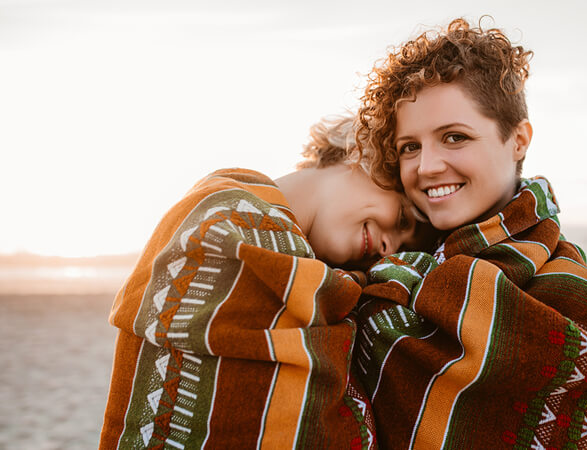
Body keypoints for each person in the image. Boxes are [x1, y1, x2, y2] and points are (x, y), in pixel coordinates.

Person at [353, 18, 587, 449]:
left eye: (455, 137)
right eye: (410, 147)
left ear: (518, 140)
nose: (426, 167)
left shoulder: (565, 293)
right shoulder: (381, 255)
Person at [99, 115, 420, 449]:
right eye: (401, 218)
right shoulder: (224, 217)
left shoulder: (318, 279)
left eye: (404, 248)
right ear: (362, 154)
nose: (390, 248)